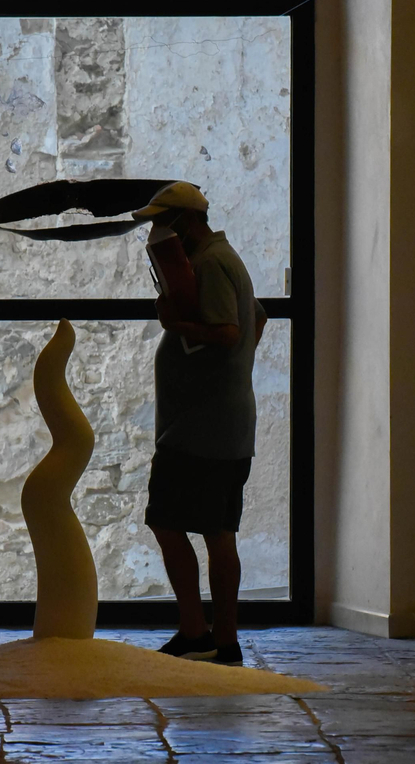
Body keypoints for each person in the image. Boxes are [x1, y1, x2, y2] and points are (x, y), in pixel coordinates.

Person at [133, 181, 267, 666]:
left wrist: (176, 325)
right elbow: (258, 317)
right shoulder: (224, 257)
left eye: (162, 223)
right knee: (209, 530)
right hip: (215, 424)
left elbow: (229, 331)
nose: (157, 232)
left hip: (202, 430)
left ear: (185, 223)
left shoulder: (209, 263)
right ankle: (211, 635)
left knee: (179, 527)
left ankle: (208, 634)